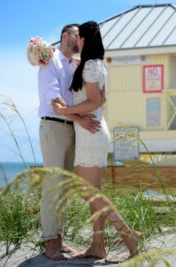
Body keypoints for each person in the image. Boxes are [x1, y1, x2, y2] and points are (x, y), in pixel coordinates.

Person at [52, 21, 140, 259]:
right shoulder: (95, 64)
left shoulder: (91, 65)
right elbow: (102, 99)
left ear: (86, 39)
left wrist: (64, 111)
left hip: (91, 132)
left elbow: (93, 102)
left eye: (79, 36)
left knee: (89, 192)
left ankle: (128, 235)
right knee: (93, 193)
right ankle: (97, 246)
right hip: (92, 130)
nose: (76, 40)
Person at [38, 23, 104, 260]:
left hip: (72, 129)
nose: (80, 39)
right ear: (65, 36)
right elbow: (56, 103)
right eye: (77, 35)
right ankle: (50, 242)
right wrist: (81, 120)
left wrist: (79, 122)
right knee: (53, 184)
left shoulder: (75, 65)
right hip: (54, 127)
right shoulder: (50, 62)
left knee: (64, 187)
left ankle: (59, 239)